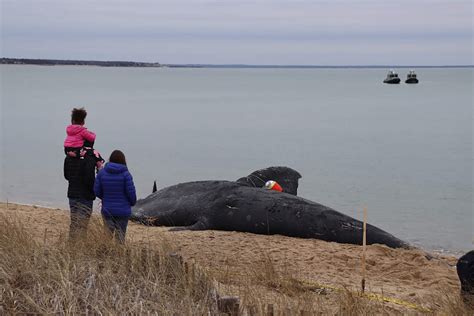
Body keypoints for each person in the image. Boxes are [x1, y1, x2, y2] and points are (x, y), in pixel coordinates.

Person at [63, 108, 98, 240]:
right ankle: (80, 248)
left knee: (74, 223)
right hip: (85, 194)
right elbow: (89, 178)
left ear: (72, 121)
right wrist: (93, 191)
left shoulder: (68, 156)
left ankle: (72, 246)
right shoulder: (89, 157)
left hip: (72, 192)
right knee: (83, 226)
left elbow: (66, 175)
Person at [94, 150, 137, 243]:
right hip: (123, 210)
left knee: (107, 236)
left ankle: (105, 255)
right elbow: (131, 193)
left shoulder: (102, 173)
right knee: (120, 237)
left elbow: (96, 191)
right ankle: (118, 255)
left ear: (110, 159)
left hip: (107, 209)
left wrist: (104, 198)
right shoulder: (126, 174)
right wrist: (132, 203)